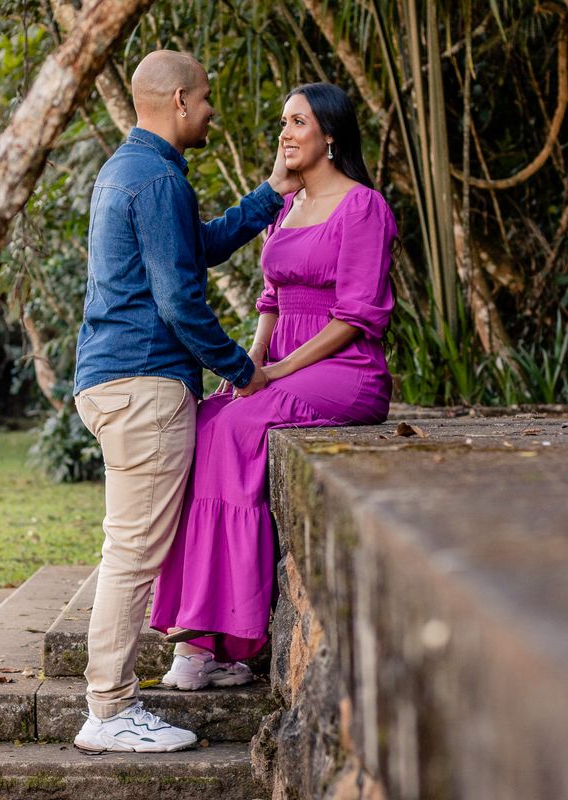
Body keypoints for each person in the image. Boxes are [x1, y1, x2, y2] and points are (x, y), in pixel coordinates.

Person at [71, 50, 300, 753]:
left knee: (131, 547)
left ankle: (117, 703)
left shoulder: (132, 170)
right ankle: (108, 711)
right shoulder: (155, 179)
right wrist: (243, 368)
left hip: (113, 378)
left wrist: (269, 194)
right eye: (204, 99)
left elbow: (191, 251)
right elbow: (178, 301)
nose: (211, 111)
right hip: (143, 383)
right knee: (132, 552)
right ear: (175, 101)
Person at [150, 82, 397, 689]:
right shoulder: (287, 207)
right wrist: (249, 367)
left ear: (330, 136)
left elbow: (356, 316)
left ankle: (217, 641)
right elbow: (270, 299)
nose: (285, 133)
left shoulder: (363, 206)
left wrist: (282, 372)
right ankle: (209, 636)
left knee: (234, 431)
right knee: (209, 420)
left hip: (345, 371)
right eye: (283, 121)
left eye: (297, 122)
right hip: (283, 359)